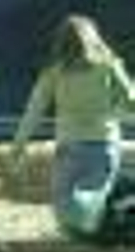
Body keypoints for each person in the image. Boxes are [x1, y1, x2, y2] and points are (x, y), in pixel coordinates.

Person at [10, 14, 135, 238]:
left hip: (69, 149)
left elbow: (33, 111)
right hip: (103, 147)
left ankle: (103, 224)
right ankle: (115, 217)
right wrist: (114, 109)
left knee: (68, 211)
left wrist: (18, 147)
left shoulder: (53, 72)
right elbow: (131, 101)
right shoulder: (109, 66)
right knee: (84, 204)